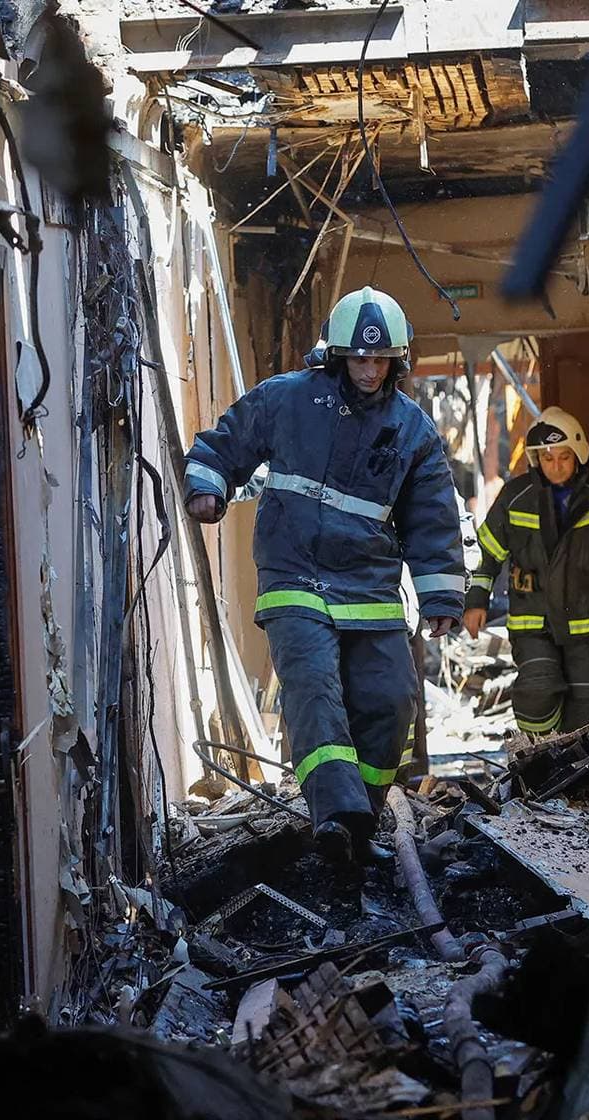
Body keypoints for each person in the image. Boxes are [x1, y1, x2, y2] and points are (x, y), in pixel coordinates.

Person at [183, 287, 466, 863]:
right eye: (358, 358)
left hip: (370, 588)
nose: (368, 370)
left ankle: (362, 813)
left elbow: (432, 516)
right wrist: (207, 488)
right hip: (295, 577)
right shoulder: (288, 399)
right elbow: (220, 446)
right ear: (337, 355)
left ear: (398, 361)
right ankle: (335, 816)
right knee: (314, 688)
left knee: (392, 702)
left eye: (380, 359)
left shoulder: (411, 430)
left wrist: (441, 594)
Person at [461, 407, 589, 735]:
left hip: (587, 623)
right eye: (547, 458)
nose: (555, 467)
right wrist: (476, 601)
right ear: (535, 459)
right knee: (537, 690)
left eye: (563, 457)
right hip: (533, 621)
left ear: (579, 455)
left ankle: (579, 776)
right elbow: (486, 555)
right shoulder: (516, 498)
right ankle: (540, 756)